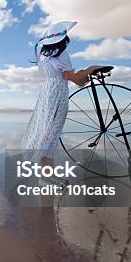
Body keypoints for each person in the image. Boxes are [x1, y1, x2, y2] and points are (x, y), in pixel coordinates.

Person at [21, 21, 102, 169]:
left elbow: (67, 75)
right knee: (53, 131)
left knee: (46, 128)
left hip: (47, 92)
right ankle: (47, 173)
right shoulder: (62, 54)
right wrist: (91, 69)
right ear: (63, 39)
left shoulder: (43, 55)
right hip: (58, 92)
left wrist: (81, 75)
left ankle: (46, 171)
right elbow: (74, 79)